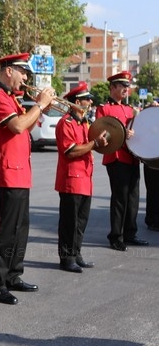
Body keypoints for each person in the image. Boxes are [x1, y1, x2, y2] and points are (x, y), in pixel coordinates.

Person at [0, 53, 55, 305]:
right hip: (5, 173)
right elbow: (18, 127)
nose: (25, 78)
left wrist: (39, 109)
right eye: (23, 73)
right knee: (4, 232)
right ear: (8, 71)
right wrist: (40, 105)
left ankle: (13, 274)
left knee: (20, 230)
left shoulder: (11, 97)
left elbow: (26, 125)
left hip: (19, 172)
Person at [54, 83, 107, 273]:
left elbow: (93, 145)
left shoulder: (83, 123)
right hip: (71, 180)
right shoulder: (65, 123)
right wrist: (94, 143)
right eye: (87, 99)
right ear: (77, 102)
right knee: (70, 222)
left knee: (81, 221)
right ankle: (66, 258)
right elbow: (71, 151)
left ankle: (76, 254)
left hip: (84, 178)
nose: (91, 102)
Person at [95, 71, 148, 251]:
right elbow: (101, 134)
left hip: (132, 157)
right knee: (120, 198)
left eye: (128, 86)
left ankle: (130, 233)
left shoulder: (129, 109)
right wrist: (124, 132)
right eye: (123, 86)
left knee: (133, 197)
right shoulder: (103, 109)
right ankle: (115, 236)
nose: (127, 89)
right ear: (113, 87)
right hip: (116, 157)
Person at [143, 100, 159, 232]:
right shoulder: (151, 113)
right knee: (153, 190)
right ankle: (152, 220)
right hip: (151, 159)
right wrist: (149, 108)